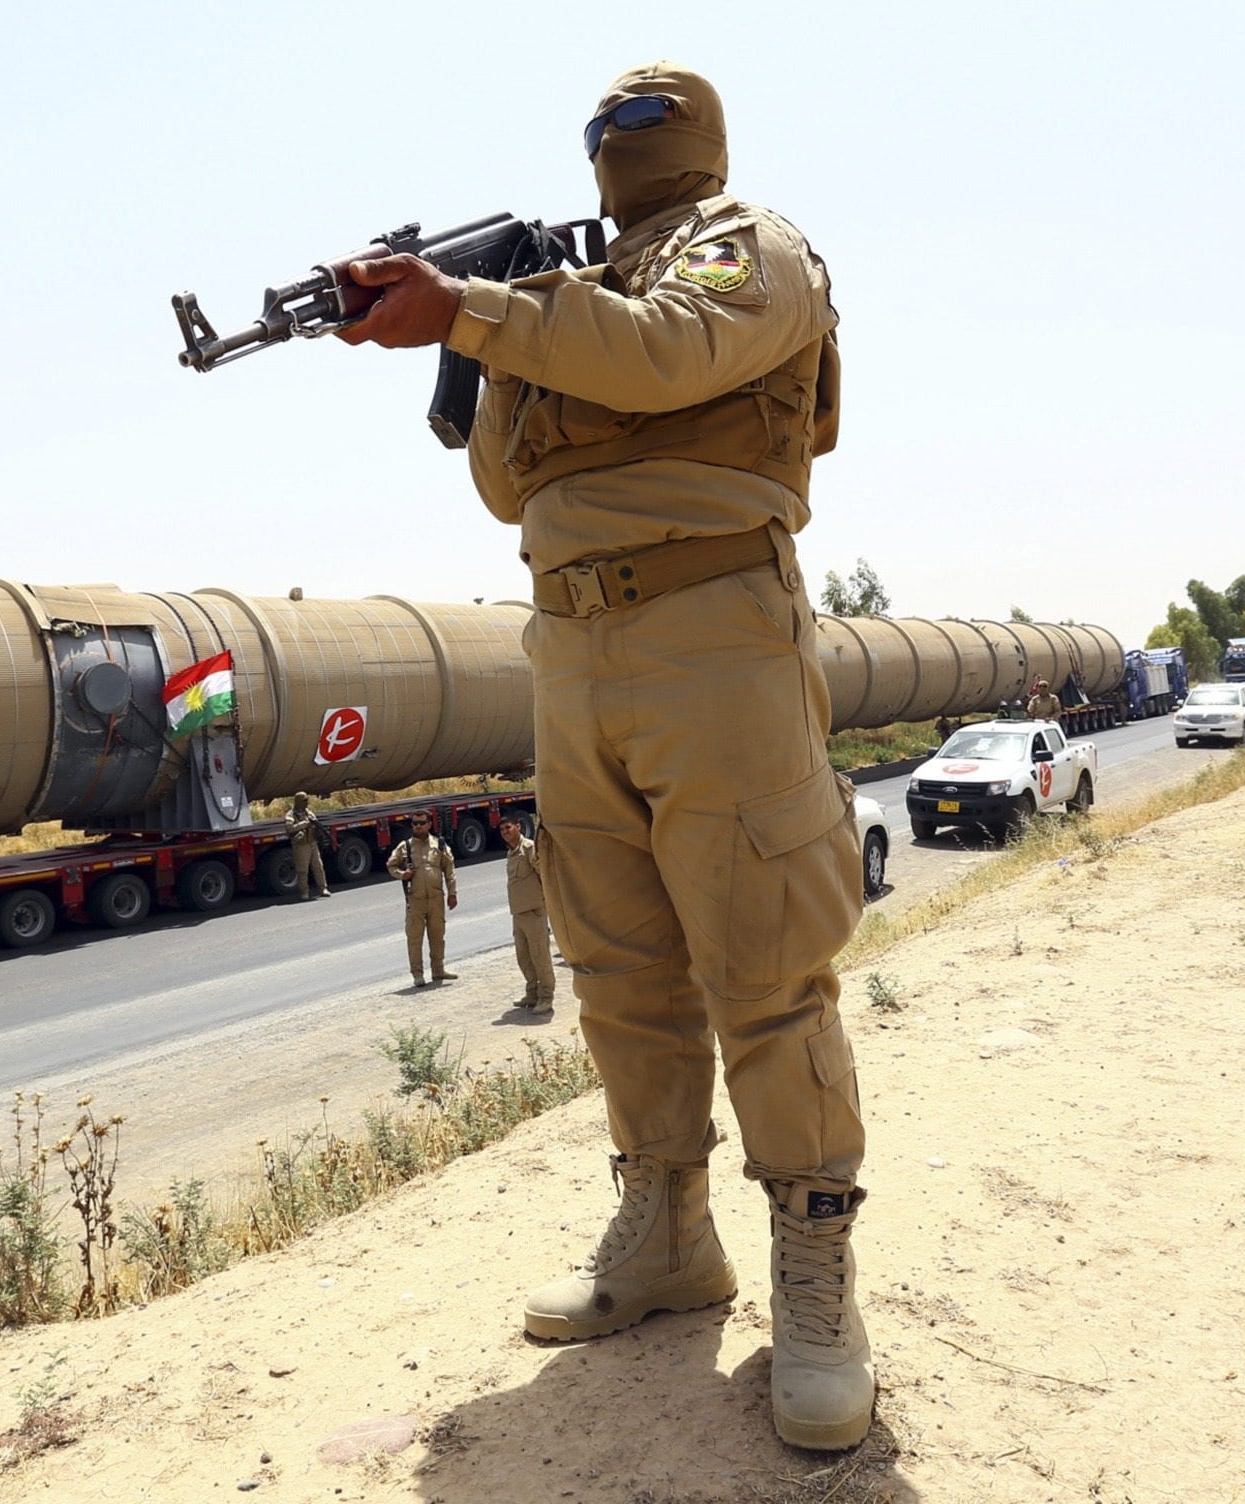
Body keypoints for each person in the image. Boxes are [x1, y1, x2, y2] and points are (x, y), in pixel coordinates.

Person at [335, 62, 873, 1449]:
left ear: (693, 136)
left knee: (760, 958)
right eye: (602, 128)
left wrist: (482, 310)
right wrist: (484, 346)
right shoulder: (569, 286)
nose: (617, 144)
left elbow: (676, 352)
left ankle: (813, 1266)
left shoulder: (744, 244)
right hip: (571, 645)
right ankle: (667, 1233)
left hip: (716, 629)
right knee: (621, 964)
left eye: (640, 124)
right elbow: (513, 481)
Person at [385, 811, 458, 986]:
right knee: (415, 938)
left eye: (422, 823)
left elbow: (449, 869)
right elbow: (391, 865)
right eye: (415, 823)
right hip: (415, 899)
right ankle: (417, 974)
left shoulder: (439, 844)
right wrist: (403, 874)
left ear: (429, 824)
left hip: (435, 898)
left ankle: (438, 970)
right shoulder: (405, 847)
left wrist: (452, 893)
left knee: (437, 936)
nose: (418, 826)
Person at [499, 815, 557, 1011]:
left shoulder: (530, 848)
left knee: (540, 956)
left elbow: (544, 874)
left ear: (518, 826)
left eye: (508, 828)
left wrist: (547, 904)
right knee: (523, 957)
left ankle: (546, 997)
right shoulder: (511, 854)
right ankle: (532, 994)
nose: (505, 832)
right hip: (518, 914)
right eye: (502, 830)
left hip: (534, 912)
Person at [286, 792, 332, 899]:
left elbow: (316, 825)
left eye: (307, 801)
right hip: (301, 845)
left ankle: (323, 888)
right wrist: (304, 824)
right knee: (303, 870)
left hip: (312, 843)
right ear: (298, 802)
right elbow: (289, 828)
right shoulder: (291, 815)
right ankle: (304, 892)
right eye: (304, 801)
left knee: (318, 867)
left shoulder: (309, 813)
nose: (306, 803)